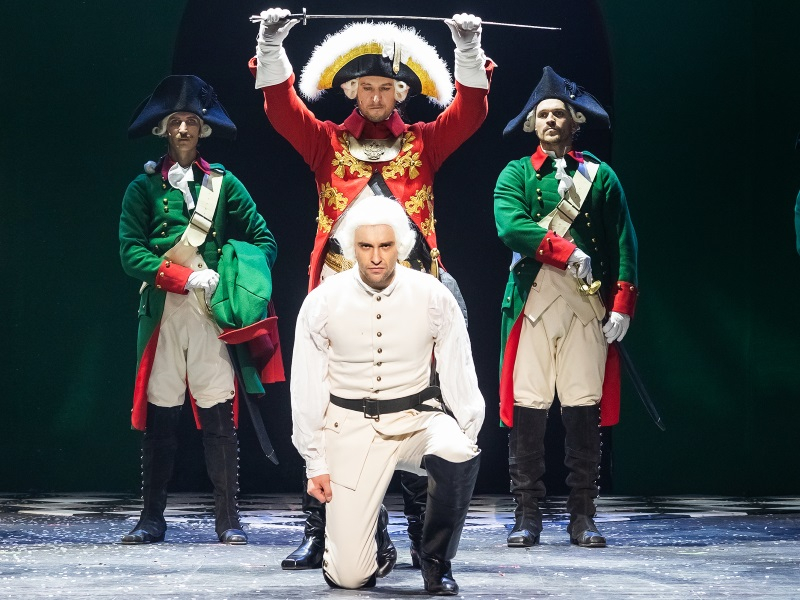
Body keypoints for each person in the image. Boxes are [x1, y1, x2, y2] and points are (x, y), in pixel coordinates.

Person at [249, 8, 493, 570]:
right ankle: (323, 530)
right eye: (367, 88)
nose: (377, 96)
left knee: (417, 402)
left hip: (412, 293)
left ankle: (419, 534)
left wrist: (467, 47)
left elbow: (471, 112)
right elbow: (281, 110)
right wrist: (270, 45)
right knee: (330, 407)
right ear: (352, 91)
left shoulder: (423, 144)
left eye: (386, 87)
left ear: (401, 92)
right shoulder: (327, 143)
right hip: (338, 291)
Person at [290, 195, 483, 594]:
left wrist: (467, 432)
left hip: (417, 420)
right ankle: (371, 534)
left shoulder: (433, 294)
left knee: (458, 451)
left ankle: (435, 560)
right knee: (349, 578)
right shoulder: (322, 301)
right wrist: (314, 461)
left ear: (401, 245)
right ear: (352, 247)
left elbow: (459, 369)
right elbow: (307, 385)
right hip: (350, 427)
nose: (376, 257)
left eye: (385, 245)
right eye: (366, 246)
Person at [119, 75, 281, 545]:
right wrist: (181, 277)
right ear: (163, 129)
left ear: (203, 128)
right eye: (176, 121)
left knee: (218, 416)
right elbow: (131, 253)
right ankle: (151, 518)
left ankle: (228, 520)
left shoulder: (223, 184)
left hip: (210, 313)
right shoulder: (142, 188)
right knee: (161, 414)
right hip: (164, 311)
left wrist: (237, 280)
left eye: (191, 120)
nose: (184, 129)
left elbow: (264, 241)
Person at [494, 66, 639, 549]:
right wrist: (565, 251)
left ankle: (583, 516)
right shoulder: (516, 173)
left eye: (559, 114)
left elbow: (623, 240)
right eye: (543, 115)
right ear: (531, 124)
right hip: (533, 303)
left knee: (582, 406)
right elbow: (510, 225)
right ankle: (526, 515)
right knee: (529, 406)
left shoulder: (601, 176)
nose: (551, 121)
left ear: (575, 121)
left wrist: (622, 304)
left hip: (586, 307)